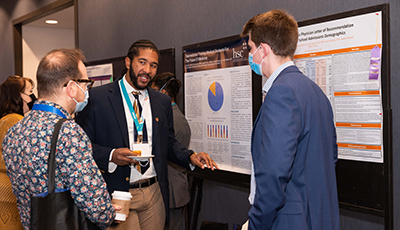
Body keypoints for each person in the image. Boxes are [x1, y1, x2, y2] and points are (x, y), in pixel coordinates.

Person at [75, 39, 218, 230]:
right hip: (119, 193)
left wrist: (191, 156)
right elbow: (81, 146)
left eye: (153, 65)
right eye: (142, 62)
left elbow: (168, 143)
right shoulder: (97, 98)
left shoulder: (161, 102)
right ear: (128, 62)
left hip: (153, 193)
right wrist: (111, 155)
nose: (148, 70)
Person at [240, 10, 340, 230]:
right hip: (318, 216)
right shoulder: (316, 92)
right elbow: (330, 157)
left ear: (263, 50)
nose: (250, 56)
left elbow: (274, 175)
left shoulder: (281, 93)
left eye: (250, 49)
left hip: (290, 221)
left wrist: (256, 224)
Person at [2, 48, 117, 230]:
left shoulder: (14, 131)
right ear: (72, 88)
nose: (87, 91)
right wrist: (108, 213)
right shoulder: (68, 132)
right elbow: (97, 207)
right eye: (86, 84)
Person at [151, 72, 190, 230]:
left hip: (172, 189)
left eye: (153, 91)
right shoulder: (173, 116)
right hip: (172, 188)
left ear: (163, 93)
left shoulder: (172, 119)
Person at [0, 75, 33, 230]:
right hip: (10, 193)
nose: (33, 97)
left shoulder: (5, 119)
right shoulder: (16, 121)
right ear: (19, 96)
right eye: (30, 92)